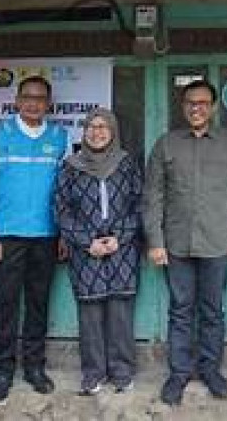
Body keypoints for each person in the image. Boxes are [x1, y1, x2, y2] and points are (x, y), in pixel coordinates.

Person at [144, 79, 227, 406]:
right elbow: (153, 196)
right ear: (182, 107)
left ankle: (210, 370)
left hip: (217, 242)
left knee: (212, 311)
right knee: (180, 310)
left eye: (203, 103)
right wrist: (155, 241)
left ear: (214, 107)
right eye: (191, 102)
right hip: (176, 244)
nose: (196, 108)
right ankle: (178, 373)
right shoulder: (166, 144)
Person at [0, 75, 68, 403]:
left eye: (40, 98)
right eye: (27, 97)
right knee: (5, 304)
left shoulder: (60, 137)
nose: (33, 103)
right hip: (6, 236)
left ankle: (34, 367)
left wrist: (64, 233)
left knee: (38, 304)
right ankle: (2, 371)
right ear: (16, 100)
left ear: (48, 103)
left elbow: (65, 191)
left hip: (46, 235)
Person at [55, 108, 143, 396]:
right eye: (92, 126)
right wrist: (86, 241)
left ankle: (122, 372)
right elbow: (61, 209)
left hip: (122, 249)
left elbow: (139, 204)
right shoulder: (71, 165)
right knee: (90, 313)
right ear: (84, 131)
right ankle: (93, 373)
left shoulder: (126, 163)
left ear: (113, 131)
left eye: (103, 126)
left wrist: (120, 236)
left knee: (120, 311)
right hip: (86, 250)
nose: (97, 132)